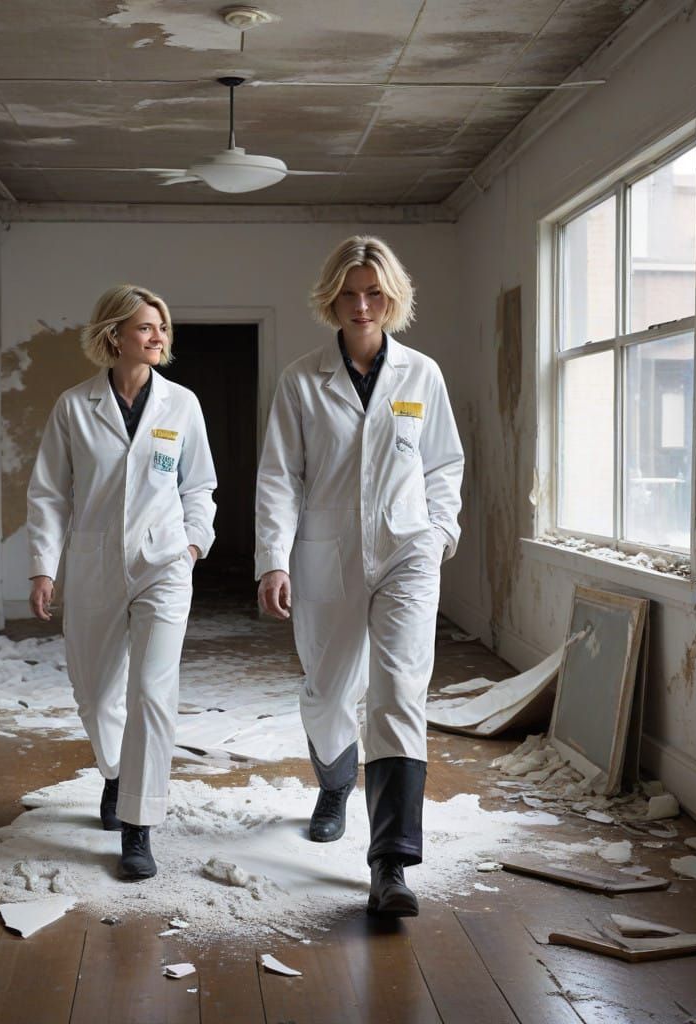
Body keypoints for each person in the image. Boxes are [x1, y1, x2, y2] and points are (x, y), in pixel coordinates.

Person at [255, 236, 463, 916]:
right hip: (327, 553)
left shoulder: (421, 376)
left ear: (393, 298)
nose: (363, 304)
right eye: (351, 293)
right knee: (326, 691)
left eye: (375, 292)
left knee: (399, 694)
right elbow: (279, 477)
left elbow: (442, 466)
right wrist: (273, 560)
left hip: (407, 551)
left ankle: (391, 865)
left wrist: (438, 534)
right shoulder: (300, 379)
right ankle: (335, 780)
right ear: (332, 299)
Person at [27, 284, 216, 880]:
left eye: (162, 327)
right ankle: (116, 771)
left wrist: (191, 545)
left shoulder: (182, 405)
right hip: (94, 564)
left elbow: (199, 487)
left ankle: (139, 826)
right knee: (95, 691)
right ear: (113, 335)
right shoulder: (74, 407)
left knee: (152, 692)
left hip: (164, 565)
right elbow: (50, 493)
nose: (158, 337)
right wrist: (43, 565)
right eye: (145, 328)